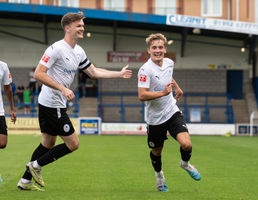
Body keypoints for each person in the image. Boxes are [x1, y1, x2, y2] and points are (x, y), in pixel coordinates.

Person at [17, 12, 132, 191]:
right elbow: (39, 73)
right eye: (79, 25)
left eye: (82, 25)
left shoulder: (78, 51)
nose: (82, 28)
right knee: (73, 144)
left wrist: (118, 73)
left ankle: (25, 181)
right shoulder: (55, 49)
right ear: (67, 27)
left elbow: (93, 72)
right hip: (52, 103)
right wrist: (62, 89)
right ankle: (36, 166)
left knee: (47, 143)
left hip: (55, 104)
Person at [137, 33, 200, 192]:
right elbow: (142, 95)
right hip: (155, 118)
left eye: (160, 47)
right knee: (157, 151)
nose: (157, 50)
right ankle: (159, 175)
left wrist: (176, 87)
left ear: (165, 49)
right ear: (149, 50)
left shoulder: (169, 62)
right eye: (154, 48)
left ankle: (185, 164)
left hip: (172, 110)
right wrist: (163, 93)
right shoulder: (145, 70)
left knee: (186, 144)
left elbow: (168, 77)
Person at [0, 61, 17, 149]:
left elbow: (8, 88)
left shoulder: (3, 66)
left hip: (0, 111)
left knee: (2, 142)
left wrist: (12, 109)